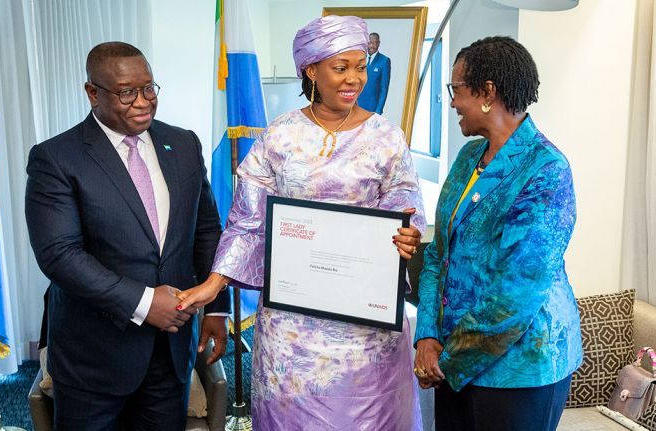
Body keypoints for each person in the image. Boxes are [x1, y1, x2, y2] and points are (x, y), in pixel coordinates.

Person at [177, 15, 424, 431]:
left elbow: (404, 203)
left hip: (365, 323)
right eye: (341, 67)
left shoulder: (386, 136)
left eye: (360, 66)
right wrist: (215, 282)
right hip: (294, 328)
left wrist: (407, 232)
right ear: (311, 70)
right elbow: (246, 222)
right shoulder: (280, 135)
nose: (354, 79)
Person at [24, 41, 230, 430]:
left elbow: (205, 229)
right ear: (92, 93)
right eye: (126, 92)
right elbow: (59, 255)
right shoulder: (56, 157)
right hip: (94, 354)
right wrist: (145, 302)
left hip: (170, 349)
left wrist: (217, 308)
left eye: (149, 88)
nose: (143, 102)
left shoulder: (184, 144)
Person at [413, 36, 583, 431]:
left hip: (520, 368)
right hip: (450, 357)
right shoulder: (467, 158)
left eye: (456, 90)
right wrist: (426, 337)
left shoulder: (546, 171)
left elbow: (516, 295)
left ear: (487, 92)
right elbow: (438, 254)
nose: (452, 102)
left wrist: (446, 361)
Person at [357, 32, 391, 115]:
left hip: (372, 110)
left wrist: (378, 111)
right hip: (356, 108)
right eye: (369, 43)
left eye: (374, 43)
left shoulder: (384, 61)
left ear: (379, 43)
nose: (371, 46)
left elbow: (384, 89)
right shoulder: (360, 59)